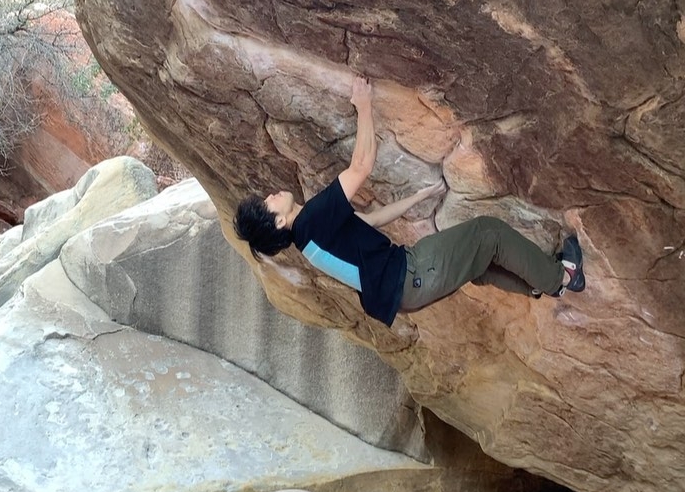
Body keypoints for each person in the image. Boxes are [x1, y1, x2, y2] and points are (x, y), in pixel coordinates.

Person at [234, 75, 585, 328]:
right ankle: (561, 278)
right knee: (488, 233)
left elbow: (370, 221)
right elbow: (361, 166)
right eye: (267, 204)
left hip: (405, 293)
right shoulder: (311, 218)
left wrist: (415, 197)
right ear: (278, 221)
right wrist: (365, 106)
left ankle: (534, 282)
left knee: (476, 265)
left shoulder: (309, 241)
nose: (271, 195)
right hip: (412, 275)